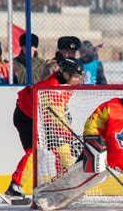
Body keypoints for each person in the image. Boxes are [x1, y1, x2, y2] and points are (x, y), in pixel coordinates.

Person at [5, 58, 85, 198]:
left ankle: (65, 186)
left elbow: (59, 110)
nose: (79, 79)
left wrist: (67, 130)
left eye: (80, 76)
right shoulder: (51, 87)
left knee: (64, 151)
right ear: (66, 74)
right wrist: (69, 136)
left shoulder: (67, 83)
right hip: (26, 116)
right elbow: (52, 120)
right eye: (76, 76)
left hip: (43, 117)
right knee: (34, 152)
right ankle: (15, 186)